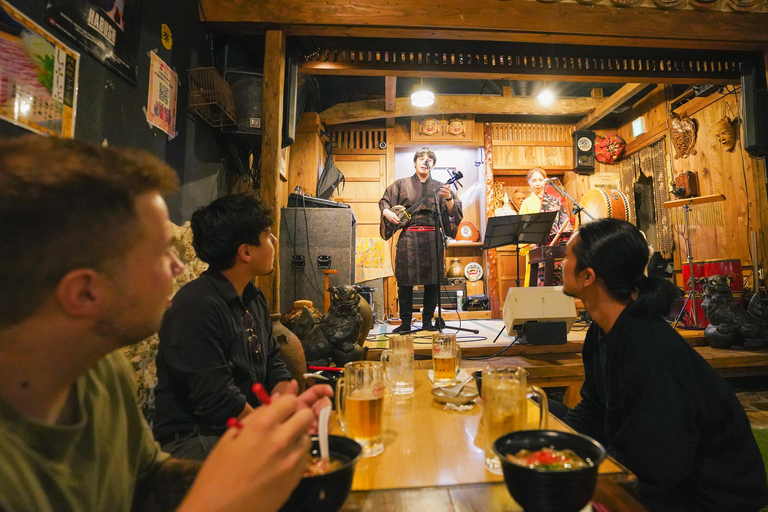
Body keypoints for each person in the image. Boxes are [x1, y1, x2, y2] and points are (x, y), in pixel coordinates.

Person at [0, 135, 318, 512]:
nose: (179, 266)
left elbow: (149, 477)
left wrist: (266, 447)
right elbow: (213, 400)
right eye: (159, 253)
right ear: (85, 292)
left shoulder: (100, 372)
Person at [560, 218, 768, 512]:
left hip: (708, 496)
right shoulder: (601, 330)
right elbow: (595, 407)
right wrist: (553, 443)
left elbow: (659, 464)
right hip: (657, 473)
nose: (561, 264)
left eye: (567, 256)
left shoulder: (646, 346)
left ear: (588, 277)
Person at [153, 194, 332, 460]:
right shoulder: (196, 305)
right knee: (296, 459)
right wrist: (270, 428)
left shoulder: (252, 298)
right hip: (193, 439)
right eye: (268, 236)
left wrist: (285, 408)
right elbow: (217, 400)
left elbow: (274, 363)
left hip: (239, 427)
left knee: (322, 443)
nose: (273, 243)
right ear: (246, 252)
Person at [379, 147, 463, 332]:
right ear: (415, 162)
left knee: (433, 281)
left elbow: (452, 212)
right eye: (422, 158)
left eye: (430, 159)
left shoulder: (441, 187)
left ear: (433, 164)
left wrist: (448, 197)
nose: (426, 162)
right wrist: (386, 212)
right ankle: (406, 322)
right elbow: (384, 201)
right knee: (405, 281)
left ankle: (427, 322)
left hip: (433, 237)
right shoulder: (401, 184)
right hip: (409, 237)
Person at [518, 167, 572, 286]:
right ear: (529, 182)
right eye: (534, 180)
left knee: (556, 280)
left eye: (540, 180)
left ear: (546, 180)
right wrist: (530, 242)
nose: (537, 183)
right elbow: (522, 227)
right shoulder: (527, 203)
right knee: (537, 281)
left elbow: (563, 222)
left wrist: (563, 241)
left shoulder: (555, 201)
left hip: (554, 246)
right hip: (536, 247)